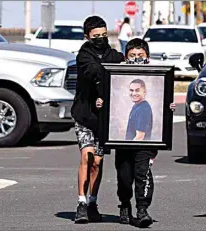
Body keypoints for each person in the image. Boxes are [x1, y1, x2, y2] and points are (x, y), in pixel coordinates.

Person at [96, 38, 176, 228]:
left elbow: (164, 102)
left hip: (145, 144)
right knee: (124, 176)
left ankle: (142, 209)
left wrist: (168, 106)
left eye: (141, 55)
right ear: (126, 56)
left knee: (143, 174)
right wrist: (102, 102)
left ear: (147, 56)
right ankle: (124, 205)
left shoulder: (157, 75)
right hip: (122, 143)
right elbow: (107, 98)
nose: (136, 59)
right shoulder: (117, 73)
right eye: (132, 55)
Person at [70, 15, 124, 224]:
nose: (101, 39)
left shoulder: (114, 55)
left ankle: (93, 201)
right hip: (84, 114)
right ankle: (81, 202)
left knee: (98, 163)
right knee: (88, 157)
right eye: (96, 36)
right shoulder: (83, 56)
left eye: (104, 35)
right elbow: (94, 71)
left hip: (104, 119)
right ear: (87, 37)